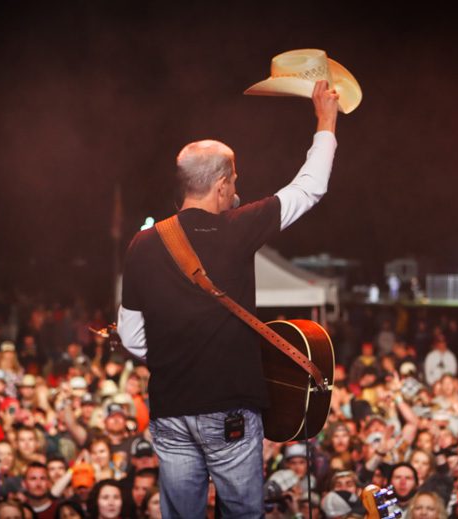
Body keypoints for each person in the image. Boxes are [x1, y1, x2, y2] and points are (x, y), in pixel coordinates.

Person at [117, 79, 340, 517]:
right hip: (230, 414)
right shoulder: (239, 227)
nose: (237, 186)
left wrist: (177, 357)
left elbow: (131, 336)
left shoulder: (142, 244)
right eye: (234, 178)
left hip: (171, 412)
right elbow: (309, 187)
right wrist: (326, 120)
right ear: (221, 184)